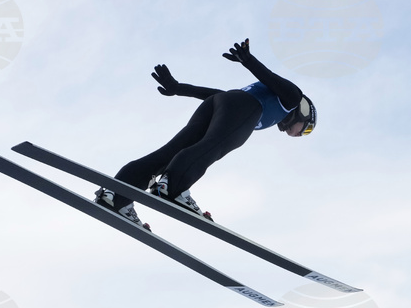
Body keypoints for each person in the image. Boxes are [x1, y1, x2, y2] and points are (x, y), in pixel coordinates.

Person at [95, 38, 316, 226]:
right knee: (212, 147)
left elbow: (221, 96)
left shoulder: (270, 108)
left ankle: (116, 197)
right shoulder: (292, 97)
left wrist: (179, 88)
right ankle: (173, 187)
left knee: (168, 154)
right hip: (239, 106)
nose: (299, 135)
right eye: (305, 130)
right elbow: (269, 77)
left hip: (219, 103)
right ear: (304, 113)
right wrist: (248, 60)